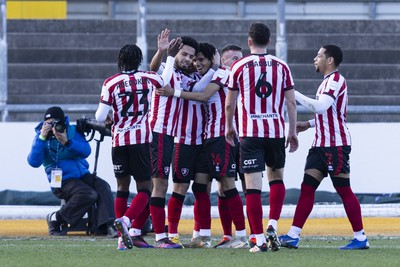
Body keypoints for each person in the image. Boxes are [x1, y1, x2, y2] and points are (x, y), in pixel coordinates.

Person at [157, 43, 248, 249]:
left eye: (201, 60)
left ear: (212, 60)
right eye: (194, 59)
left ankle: (241, 236)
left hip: (220, 136)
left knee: (227, 185)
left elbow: (203, 95)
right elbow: (196, 88)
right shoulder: (203, 75)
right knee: (200, 186)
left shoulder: (223, 74)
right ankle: (203, 237)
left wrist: (174, 93)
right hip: (204, 139)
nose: (197, 63)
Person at [279, 45, 369, 250]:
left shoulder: (336, 81)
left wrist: (293, 93)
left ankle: (361, 237)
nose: (315, 59)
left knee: (343, 189)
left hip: (334, 145)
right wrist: (308, 124)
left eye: (319, 56)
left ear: (330, 60)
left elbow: (321, 107)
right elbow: (329, 114)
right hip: (320, 144)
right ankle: (293, 235)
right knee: (307, 188)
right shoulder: (327, 83)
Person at [95, 41, 180, 250]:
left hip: (119, 141)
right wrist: (169, 56)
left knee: (122, 187)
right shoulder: (148, 77)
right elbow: (165, 79)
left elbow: (100, 116)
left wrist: (114, 115)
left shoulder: (111, 82)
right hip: (141, 140)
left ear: (120, 61)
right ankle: (126, 220)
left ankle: (120, 240)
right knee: (145, 187)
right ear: (140, 60)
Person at [225, 22, 298, 253]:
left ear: (249, 41)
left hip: (250, 134)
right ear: (268, 41)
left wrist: (229, 127)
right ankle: (273, 224)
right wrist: (292, 130)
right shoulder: (282, 65)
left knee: (252, 187)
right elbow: (291, 102)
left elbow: (230, 103)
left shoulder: (239, 66)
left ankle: (257, 238)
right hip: (275, 132)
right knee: (276, 179)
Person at [148, 32, 216, 248]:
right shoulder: (169, 73)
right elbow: (153, 69)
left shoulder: (197, 77)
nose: (189, 60)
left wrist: (215, 67)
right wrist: (161, 52)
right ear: (175, 53)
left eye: (193, 57)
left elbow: (203, 92)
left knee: (203, 188)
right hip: (181, 140)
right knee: (179, 188)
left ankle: (200, 235)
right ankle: (172, 233)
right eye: (185, 55)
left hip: (203, 140)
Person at [27, 106, 116, 237]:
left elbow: (86, 151)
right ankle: (56, 219)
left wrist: (67, 142)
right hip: (62, 181)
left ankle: (107, 226)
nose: (52, 127)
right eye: (48, 123)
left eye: (55, 123)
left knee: (103, 186)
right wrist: (42, 138)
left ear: (63, 122)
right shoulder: (41, 138)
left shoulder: (73, 131)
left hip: (82, 175)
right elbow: (33, 162)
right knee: (88, 194)